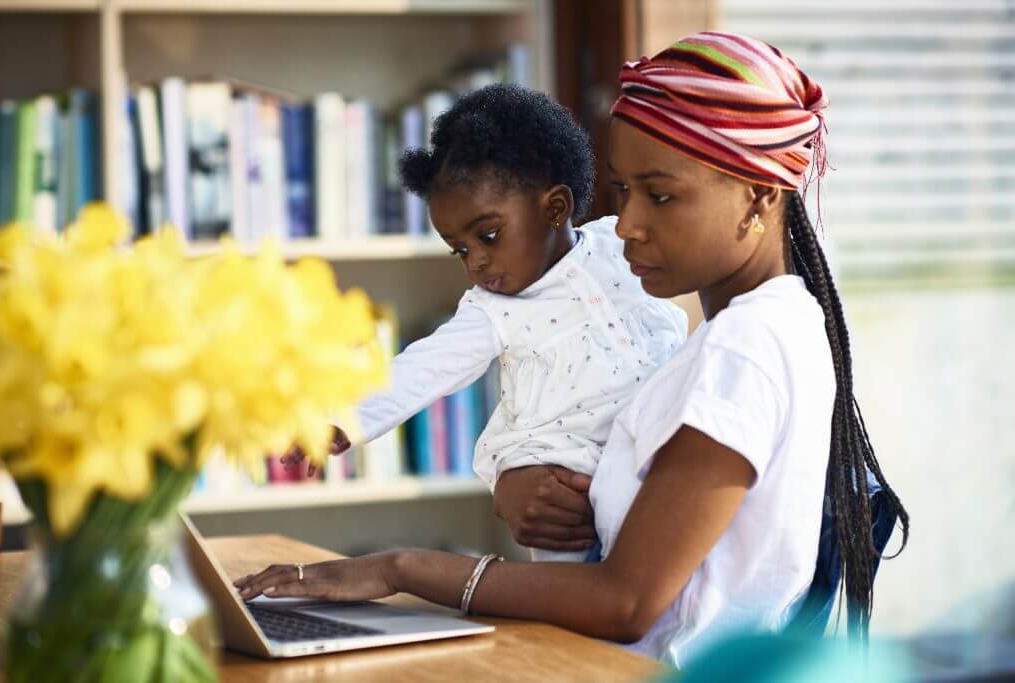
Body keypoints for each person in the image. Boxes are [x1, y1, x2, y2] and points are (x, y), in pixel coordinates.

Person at [238, 33, 909, 667]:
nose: (628, 223)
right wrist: (509, 476)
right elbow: (434, 368)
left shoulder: (742, 347)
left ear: (760, 195)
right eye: (622, 189)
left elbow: (625, 601)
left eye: (661, 194)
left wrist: (399, 567)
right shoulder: (769, 325)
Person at [285, 83, 688, 562]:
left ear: (555, 208)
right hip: (563, 482)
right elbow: (422, 368)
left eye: (489, 236)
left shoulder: (616, 243)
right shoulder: (491, 310)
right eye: (460, 249)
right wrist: (341, 419)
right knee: (572, 612)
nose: (475, 261)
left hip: (653, 458)